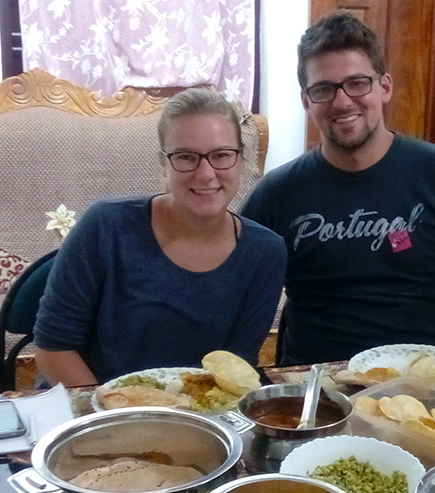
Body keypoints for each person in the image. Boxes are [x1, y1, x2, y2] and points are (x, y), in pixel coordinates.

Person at [242, 11, 435, 365]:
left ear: (384, 86)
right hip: (314, 388)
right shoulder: (277, 193)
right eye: (323, 89)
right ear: (306, 100)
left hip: (422, 385)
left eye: (357, 83)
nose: (342, 101)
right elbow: (234, 287)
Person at [34, 88, 286, 385]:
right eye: (185, 157)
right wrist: (118, 420)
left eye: (221, 155)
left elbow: (235, 368)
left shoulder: (266, 253)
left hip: (194, 415)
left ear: (242, 160)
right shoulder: (105, 225)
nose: (206, 173)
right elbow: (53, 348)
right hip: (91, 409)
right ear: (163, 164)